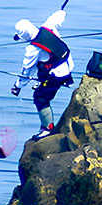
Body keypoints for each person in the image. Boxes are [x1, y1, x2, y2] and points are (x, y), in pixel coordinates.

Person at [12, 9, 75, 140]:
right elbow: (57, 17)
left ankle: (47, 129)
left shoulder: (32, 50)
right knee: (43, 69)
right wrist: (61, 11)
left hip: (58, 75)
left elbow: (26, 71)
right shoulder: (48, 26)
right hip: (68, 65)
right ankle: (42, 83)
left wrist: (17, 86)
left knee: (40, 97)